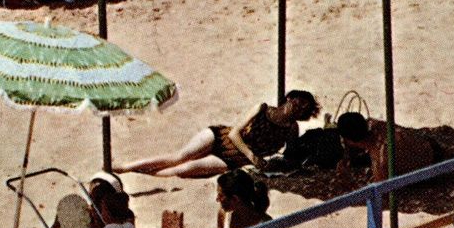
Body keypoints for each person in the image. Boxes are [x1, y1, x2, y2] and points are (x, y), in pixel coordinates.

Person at [116, 91, 319, 178]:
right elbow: (234, 134)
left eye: (303, 108)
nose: (298, 108)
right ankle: (127, 167)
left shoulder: (291, 129)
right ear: (289, 98)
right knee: (179, 156)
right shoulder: (262, 109)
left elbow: (290, 154)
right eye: (298, 102)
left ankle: (141, 173)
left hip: (234, 159)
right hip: (220, 137)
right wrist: (252, 155)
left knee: (183, 170)